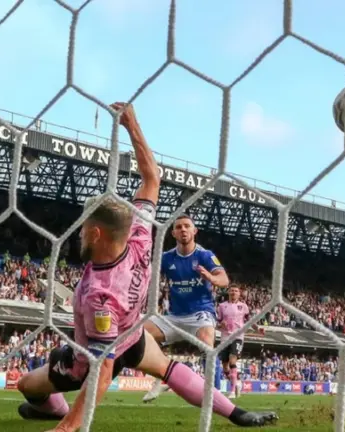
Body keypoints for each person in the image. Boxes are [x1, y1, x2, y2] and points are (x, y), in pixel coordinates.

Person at [14, 103, 277, 431]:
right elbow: (152, 178)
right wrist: (132, 124)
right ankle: (238, 414)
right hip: (133, 336)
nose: (79, 234)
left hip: (90, 358)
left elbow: (102, 372)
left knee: (27, 385)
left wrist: (67, 428)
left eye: (83, 228)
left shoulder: (99, 293)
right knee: (167, 368)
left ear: (96, 234)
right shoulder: (140, 238)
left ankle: (57, 412)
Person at [142, 213, 230, 402]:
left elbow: (224, 279)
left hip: (201, 313)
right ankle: (162, 378)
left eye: (187, 226)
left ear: (194, 230)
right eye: (178, 227)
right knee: (137, 335)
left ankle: (214, 396)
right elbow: (146, 276)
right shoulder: (166, 258)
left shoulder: (205, 255)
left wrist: (211, 278)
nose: (183, 229)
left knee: (207, 343)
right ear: (173, 233)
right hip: (173, 316)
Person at [217, 285, 263, 398]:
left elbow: (250, 320)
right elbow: (217, 323)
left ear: (239, 293)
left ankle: (232, 391)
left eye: (236, 291)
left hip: (238, 336)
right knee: (225, 366)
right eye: (232, 290)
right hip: (225, 337)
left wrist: (258, 329)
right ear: (228, 292)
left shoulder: (243, 306)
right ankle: (236, 383)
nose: (234, 292)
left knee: (232, 360)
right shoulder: (222, 306)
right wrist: (220, 325)